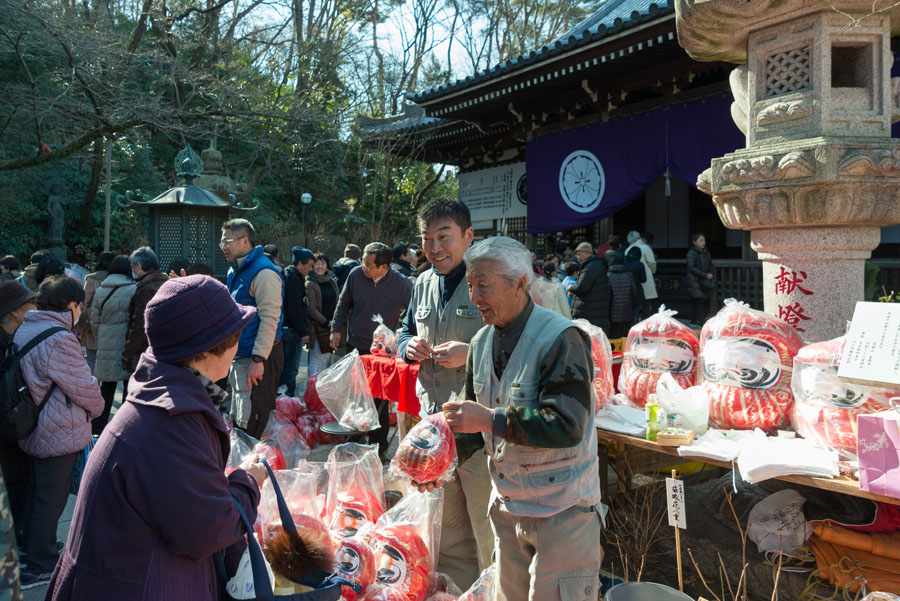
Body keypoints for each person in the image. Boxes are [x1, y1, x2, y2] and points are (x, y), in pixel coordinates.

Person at [44, 275, 266, 601]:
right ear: (204, 351)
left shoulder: (163, 396)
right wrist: (249, 481)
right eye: (234, 337)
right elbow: (207, 530)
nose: (237, 346)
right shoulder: (169, 423)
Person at [439, 236, 603, 601]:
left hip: (562, 511)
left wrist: (489, 420)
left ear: (519, 283)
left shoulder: (561, 339)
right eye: (470, 285)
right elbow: (472, 425)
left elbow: (567, 425)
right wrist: (439, 466)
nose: (474, 296)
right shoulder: (481, 342)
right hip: (508, 507)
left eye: (484, 285)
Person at [396, 198, 493, 589]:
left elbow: (515, 347)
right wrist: (408, 346)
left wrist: (470, 354)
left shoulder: (489, 281)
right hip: (434, 431)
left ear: (468, 236)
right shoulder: (421, 282)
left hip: (479, 433)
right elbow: (404, 331)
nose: (434, 248)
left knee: (488, 530)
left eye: (444, 237)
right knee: (448, 527)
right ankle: (457, 593)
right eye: (427, 239)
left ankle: (496, 594)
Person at [15, 275, 103, 589]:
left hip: (33, 424)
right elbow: (82, 386)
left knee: (36, 493)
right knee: (50, 499)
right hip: (58, 428)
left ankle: (32, 551)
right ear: (71, 305)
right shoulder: (59, 337)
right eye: (81, 305)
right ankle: (40, 563)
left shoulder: (27, 326)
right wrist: (99, 406)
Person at [331, 242, 412, 457]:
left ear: (383, 267)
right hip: (356, 345)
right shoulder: (356, 275)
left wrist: (400, 331)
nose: (363, 267)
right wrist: (336, 329)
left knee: (379, 400)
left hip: (383, 353)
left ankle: (378, 446)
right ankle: (353, 442)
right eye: (363, 262)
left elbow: (413, 310)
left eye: (368, 264)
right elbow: (343, 303)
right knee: (356, 396)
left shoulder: (401, 283)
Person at [222, 219, 285, 439]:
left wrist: (258, 359)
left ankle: (255, 470)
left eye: (227, 241)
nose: (223, 246)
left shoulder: (264, 273)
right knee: (240, 416)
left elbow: (270, 319)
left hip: (259, 358)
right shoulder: (235, 271)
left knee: (254, 421)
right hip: (242, 355)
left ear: (245, 241)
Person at [0, 281, 37, 550]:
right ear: (13, 311)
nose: (35, 308)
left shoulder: (15, 338)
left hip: (12, 427)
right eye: (30, 304)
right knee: (14, 483)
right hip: (6, 429)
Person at [90, 256, 137, 435]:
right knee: (128, 387)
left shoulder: (101, 290)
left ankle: (98, 428)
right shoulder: (133, 289)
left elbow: (94, 320)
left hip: (105, 343)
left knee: (106, 387)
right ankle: (124, 426)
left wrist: (100, 337)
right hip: (126, 345)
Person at [122, 247, 168, 372]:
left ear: (139, 266)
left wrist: (128, 351)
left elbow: (140, 324)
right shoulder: (167, 284)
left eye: (133, 267)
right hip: (165, 348)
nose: (133, 271)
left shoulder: (145, 290)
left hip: (146, 350)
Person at [278, 247, 314, 397]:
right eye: (310, 265)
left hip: (287, 329)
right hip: (291, 331)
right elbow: (295, 309)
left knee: (285, 369)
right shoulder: (293, 279)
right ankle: (286, 403)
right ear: (300, 263)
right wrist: (303, 332)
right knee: (290, 370)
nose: (311, 269)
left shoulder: (290, 275)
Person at [76, 251, 114, 374]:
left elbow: (83, 303)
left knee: (91, 359)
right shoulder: (119, 280)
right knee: (109, 361)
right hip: (113, 325)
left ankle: (93, 388)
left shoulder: (92, 280)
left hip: (93, 326)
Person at [305, 253, 338, 377]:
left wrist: (335, 321)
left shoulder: (332, 281)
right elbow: (311, 308)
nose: (320, 266)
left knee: (328, 356)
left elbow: (338, 301)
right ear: (312, 266)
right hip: (317, 326)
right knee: (316, 357)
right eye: (317, 263)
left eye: (323, 263)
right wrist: (325, 322)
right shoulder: (310, 284)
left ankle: (323, 388)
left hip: (331, 325)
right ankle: (312, 387)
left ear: (327, 265)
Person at [570, 241, 611, 331]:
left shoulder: (590, 266)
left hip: (590, 312)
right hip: (594, 310)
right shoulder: (594, 264)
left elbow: (583, 287)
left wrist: (571, 288)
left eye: (579, 254)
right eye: (576, 255)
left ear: (588, 253)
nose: (577, 257)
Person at [606, 250, 641, 339]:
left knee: (614, 335)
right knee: (626, 335)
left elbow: (608, 295)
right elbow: (635, 292)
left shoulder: (608, 275)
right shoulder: (629, 274)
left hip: (613, 310)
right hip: (627, 308)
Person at [626, 230, 658, 317]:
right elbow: (652, 264)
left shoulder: (628, 249)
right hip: (645, 277)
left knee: (634, 303)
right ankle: (646, 320)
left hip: (631, 279)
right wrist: (653, 272)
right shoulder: (645, 247)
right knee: (646, 302)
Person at [686, 232, 715, 327]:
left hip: (704, 280)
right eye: (700, 240)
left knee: (701, 301)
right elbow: (691, 267)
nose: (703, 242)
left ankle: (695, 321)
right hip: (694, 280)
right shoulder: (691, 253)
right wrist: (705, 274)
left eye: (704, 240)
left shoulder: (706, 252)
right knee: (698, 300)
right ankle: (699, 322)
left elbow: (710, 264)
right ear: (694, 242)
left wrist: (710, 273)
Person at [624, 246, 646, 323]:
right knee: (636, 311)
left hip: (625, 290)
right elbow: (644, 280)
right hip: (637, 291)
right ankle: (635, 323)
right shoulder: (640, 264)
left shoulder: (624, 263)